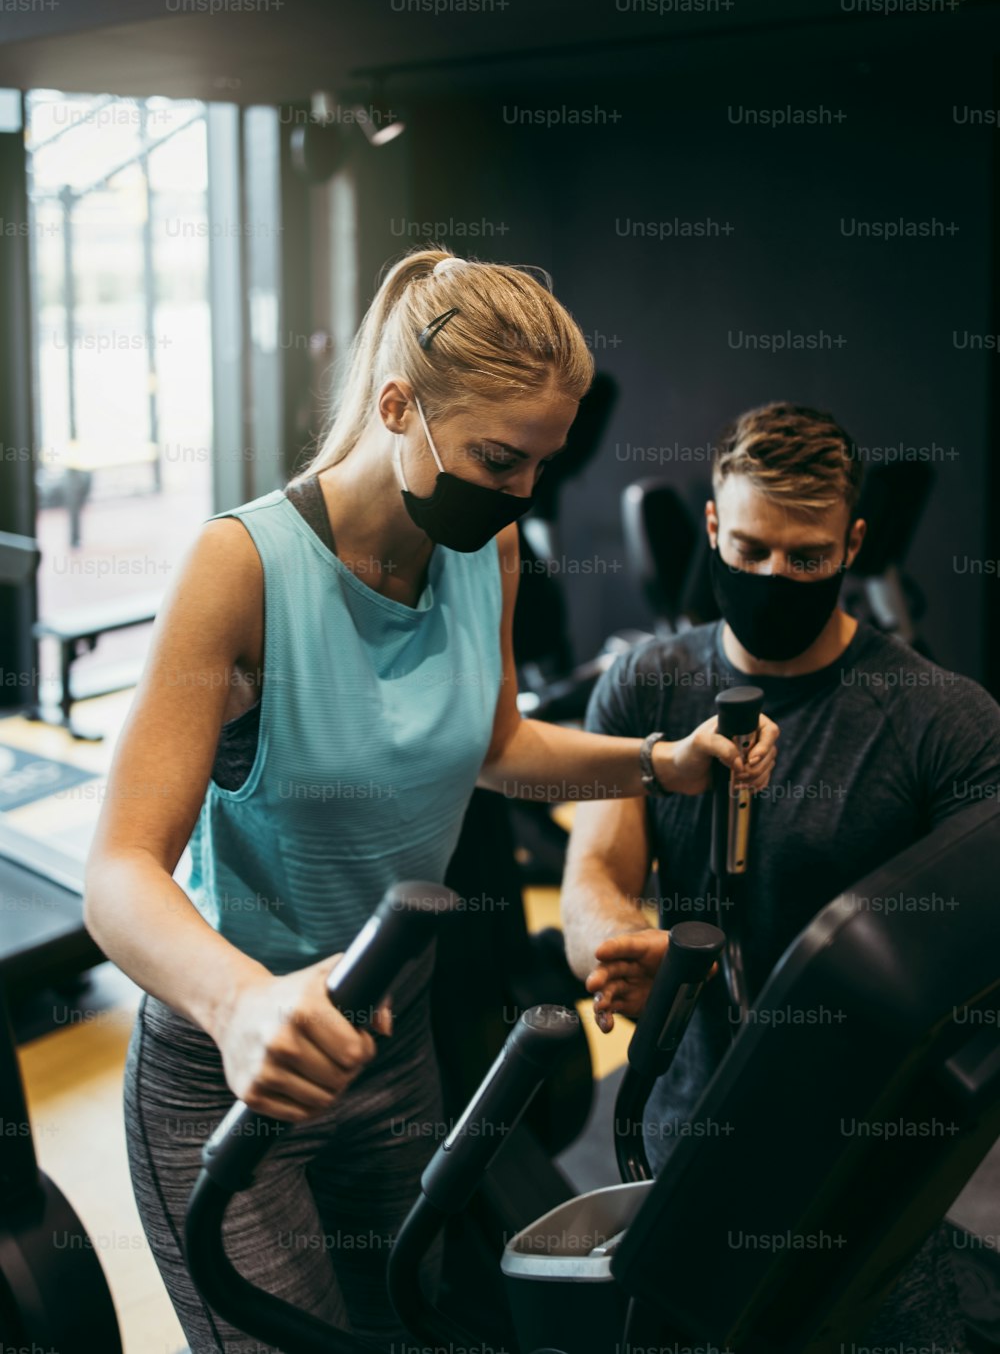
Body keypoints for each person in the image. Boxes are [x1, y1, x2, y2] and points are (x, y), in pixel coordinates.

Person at [83, 248, 779, 1353]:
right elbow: (118, 872)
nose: (519, 495)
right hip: (233, 1071)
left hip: (391, 1051)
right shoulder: (241, 567)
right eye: (500, 459)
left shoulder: (485, 547)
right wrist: (237, 1005)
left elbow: (496, 746)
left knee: (409, 1334)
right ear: (398, 405)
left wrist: (659, 761)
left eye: (538, 468)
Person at [561, 399, 1000, 1350]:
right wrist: (614, 943)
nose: (775, 577)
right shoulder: (646, 687)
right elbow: (593, 868)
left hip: (868, 1154)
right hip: (693, 1127)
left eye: (808, 558)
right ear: (714, 527)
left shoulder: (945, 723)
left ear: (854, 543)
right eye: (752, 550)